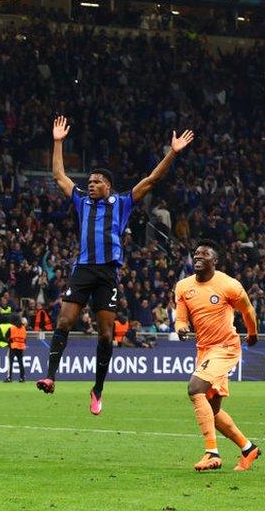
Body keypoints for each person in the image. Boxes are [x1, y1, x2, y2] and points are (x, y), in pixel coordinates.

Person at [38, 116, 194, 416]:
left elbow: (151, 179)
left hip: (107, 272)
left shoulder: (122, 202)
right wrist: (58, 141)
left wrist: (172, 152)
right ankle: (50, 376)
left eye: (97, 182)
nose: (91, 184)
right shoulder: (81, 200)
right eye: (90, 181)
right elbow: (59, 175)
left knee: (107, 334)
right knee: (64, 322)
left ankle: (97, 390)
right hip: (83, 269)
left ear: (108, 185)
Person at [174, 239, 259, 471]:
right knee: (212, 410)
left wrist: (252, 333)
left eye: (205, 254)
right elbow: (181, 318)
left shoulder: (229, 285)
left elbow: (248, 310)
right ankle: (248, 448)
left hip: (226, 347)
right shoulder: (183, 287)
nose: (199, 256)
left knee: (195, 388)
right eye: (196, 253)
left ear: (215, 260)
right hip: (204, 350)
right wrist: (180, 327)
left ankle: (211, 452)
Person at [6, 317, 27, 383]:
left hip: (13, 346)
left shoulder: (12, 328)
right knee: (21, 363)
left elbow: (7, 336)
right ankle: (22, 378)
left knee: (10, 363)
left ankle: (9, 378)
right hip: (21, 347)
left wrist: (9, 343)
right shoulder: (23, 328)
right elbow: (25, 338)